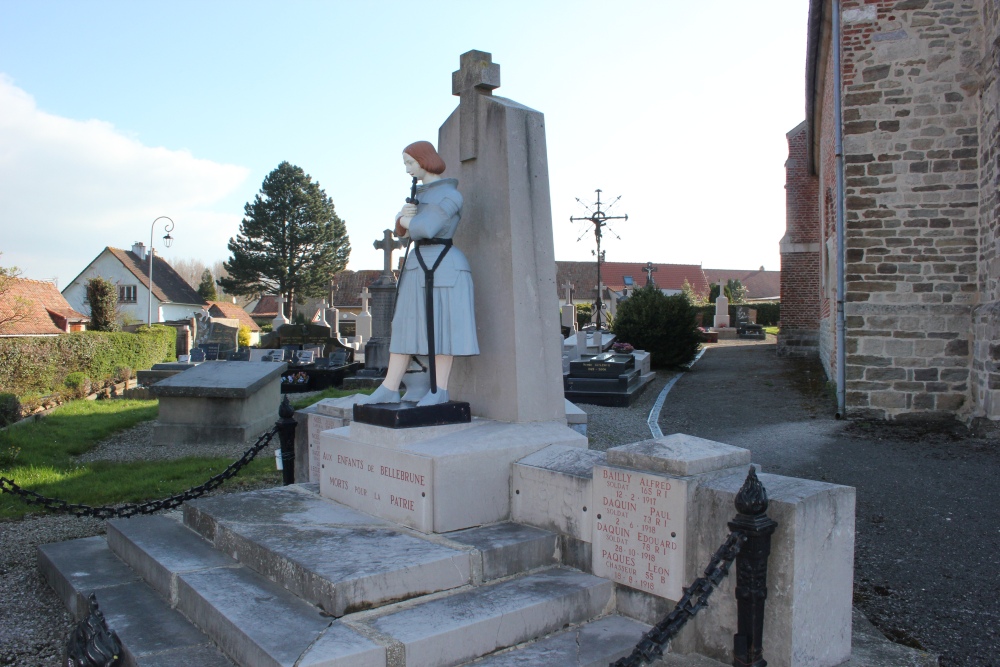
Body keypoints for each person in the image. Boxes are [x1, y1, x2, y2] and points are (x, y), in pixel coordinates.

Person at [360, 141, 479, 406]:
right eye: (405, 164)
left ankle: (439, 391)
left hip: (445, 267)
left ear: (425, 160)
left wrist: (403, 219)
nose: (407, 170)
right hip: (417, 265)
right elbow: (404, 233)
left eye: (410, 163)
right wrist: (402, 220)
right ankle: (390, 387)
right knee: (404, 327)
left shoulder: (451, 195)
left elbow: (426, 228)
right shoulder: (421, 194)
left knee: (443, 331)